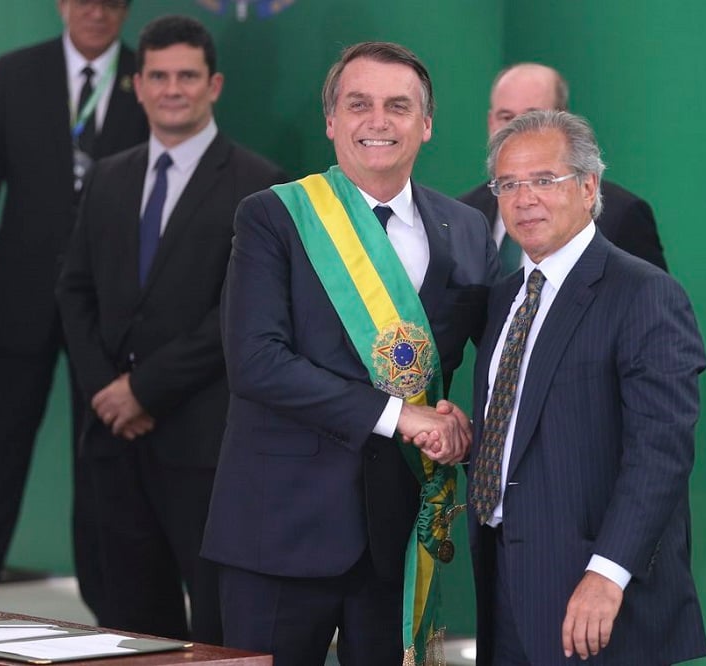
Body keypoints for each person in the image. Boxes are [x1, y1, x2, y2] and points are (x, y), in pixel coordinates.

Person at [201, 42, 498, 666]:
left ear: (427, 123)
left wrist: (457, 416)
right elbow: (256, 362)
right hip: (278, 531)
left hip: (398, 532)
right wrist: (402, 416)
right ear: (331, 120)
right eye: (358, 104)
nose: (378, 121)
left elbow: (488, 355)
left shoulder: (467, 228)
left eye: (398, 106)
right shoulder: (274, 217)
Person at [55, 15, 285, 643]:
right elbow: (74, 290)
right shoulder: (108, 175)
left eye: (187, 75)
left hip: (204, 451)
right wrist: (109, 391)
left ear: (214, 85)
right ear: (137, 85)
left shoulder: (258, 185)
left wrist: (144, 390)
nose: (172, 88)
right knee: (128, 632)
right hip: (114, 446)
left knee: (215, 630)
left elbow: (239, 313)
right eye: (158, 76)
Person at [464, 109, 706, 665]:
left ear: (589, 186)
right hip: (503, 585)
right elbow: (534, 427)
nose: (524, 199)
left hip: (596, 597)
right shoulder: (504, 298)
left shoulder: (644, 293)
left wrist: (607, 573)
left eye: (544, 180)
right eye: (508, 184)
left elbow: (661, 453)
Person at [0, 0, 148, 614]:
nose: (95, 12)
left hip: (108, 309)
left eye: (111, 2)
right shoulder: (15, 71)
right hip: (13, 303)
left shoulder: (150, 77)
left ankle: (111, 611)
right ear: (61, 4)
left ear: (127, 11)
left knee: (105, 459)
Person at [459, 63, 667, 274]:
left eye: (534, 117)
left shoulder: (622, 214)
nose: (519, 129)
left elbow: (648, 294)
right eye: (506, 117)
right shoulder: (462, 215)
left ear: (562, 119)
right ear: (490, 123)